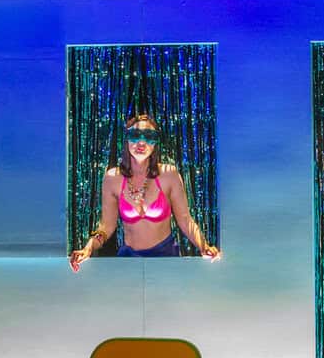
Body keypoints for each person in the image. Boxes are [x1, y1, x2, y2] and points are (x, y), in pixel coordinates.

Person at [70, 113, 221, 268]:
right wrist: (88, 248)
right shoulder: (112, 178)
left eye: (149, 136)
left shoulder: (169, 174)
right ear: (127, 139)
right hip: (130, 259)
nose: (141, 142)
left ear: (155, 143)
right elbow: (106, 227)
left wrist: (204, 246)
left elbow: (185, 220)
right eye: (135, 135)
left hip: (165, 257)